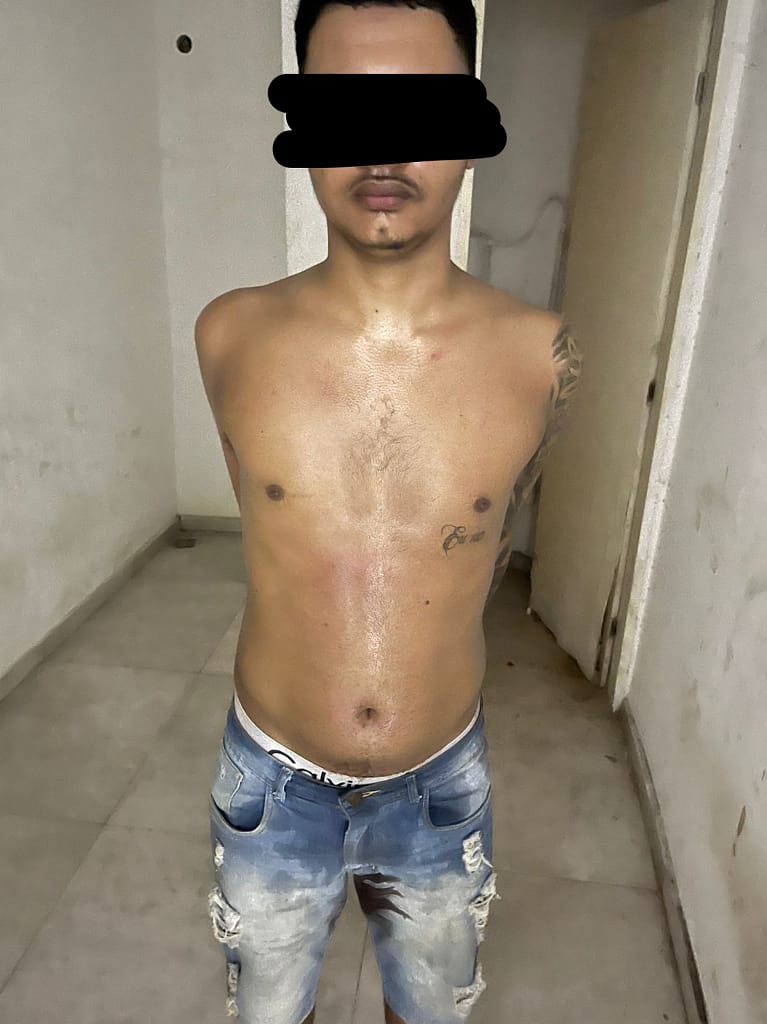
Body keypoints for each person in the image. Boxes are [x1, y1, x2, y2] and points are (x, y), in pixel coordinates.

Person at [195, 2, 583, 1022]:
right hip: (269, 783)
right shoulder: (228, 334)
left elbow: (488, 542)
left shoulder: (541, 356)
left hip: (439, 787)